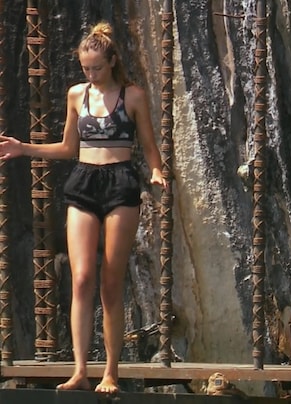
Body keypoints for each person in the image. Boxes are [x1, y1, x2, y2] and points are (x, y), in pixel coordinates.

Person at [0, 22, 167, 394]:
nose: (90, 74)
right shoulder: (77, 94)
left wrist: (156, 172)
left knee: (111, 282)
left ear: (112, 61)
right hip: (83, 182)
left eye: (96, 67)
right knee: (81, 278)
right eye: (85, 68)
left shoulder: (132, 96)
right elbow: (67, 148)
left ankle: (110, 372)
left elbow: (149, 147)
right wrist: (23, 148)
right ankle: (79, 370)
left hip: (121, 181)